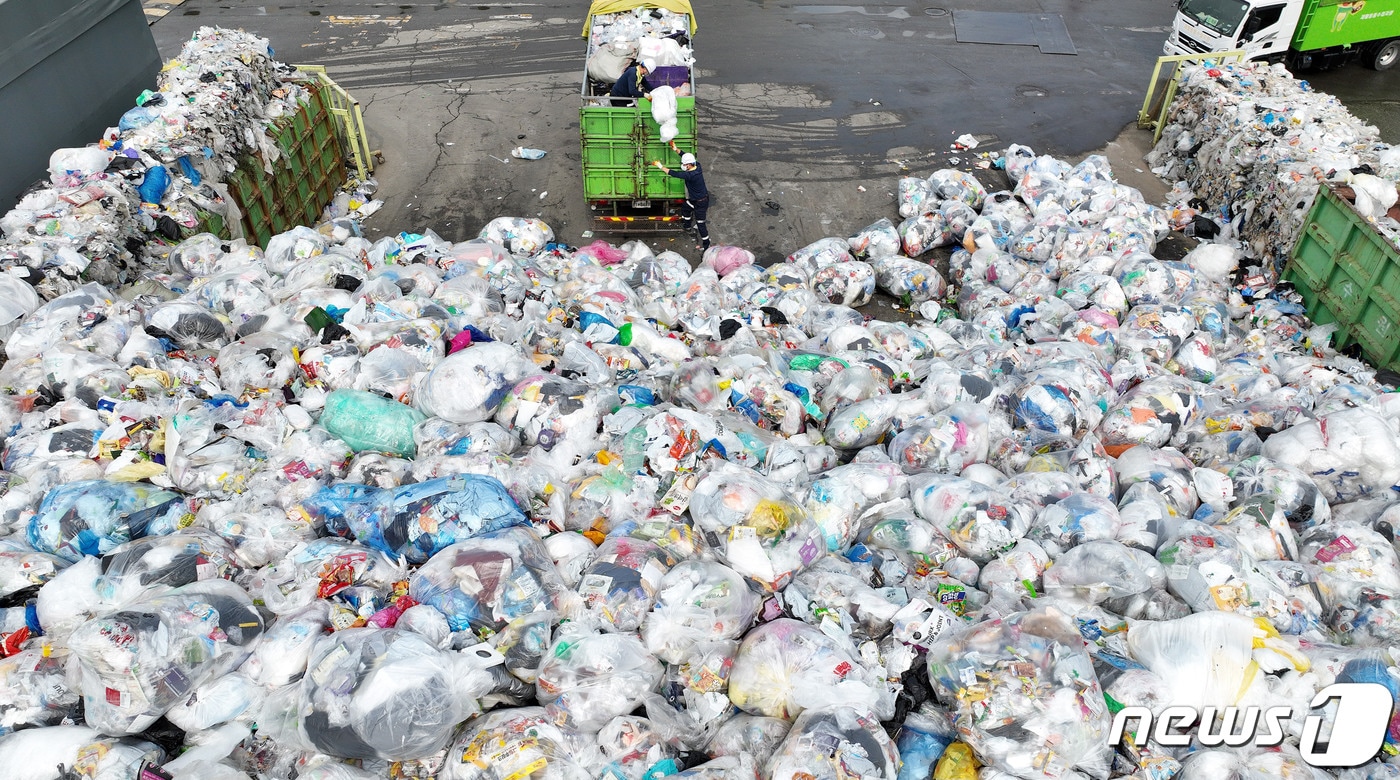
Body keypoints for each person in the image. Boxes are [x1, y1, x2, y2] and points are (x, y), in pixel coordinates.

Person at [652, 140, 710, 250]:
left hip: (701, 202)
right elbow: (685, 156)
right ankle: (687, 225)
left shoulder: (691, 175)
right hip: (695, 199)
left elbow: (674, 173)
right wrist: (676, 149)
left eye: (684, 164)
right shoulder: (698, 165)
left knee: (701, 224)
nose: (683, 166)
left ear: (689, 165)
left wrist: (660, 166)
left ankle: (706, 244)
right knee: (685, 208)